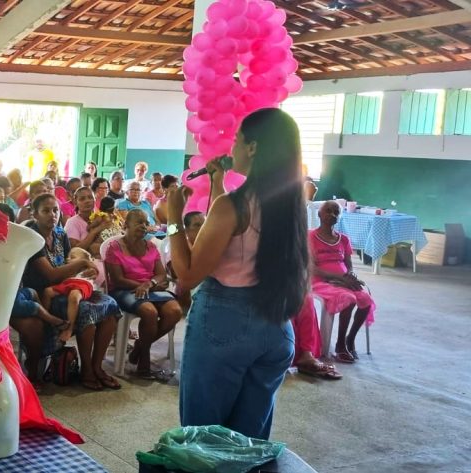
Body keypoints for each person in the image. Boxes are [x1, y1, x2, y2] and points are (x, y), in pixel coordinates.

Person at [168, 108, 308, 440]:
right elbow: (237, 235)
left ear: (254, 148)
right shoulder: (290, 202)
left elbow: (187, 275)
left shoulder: (233, 206)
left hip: (225, 324)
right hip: (275, 327)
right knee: (248, 441)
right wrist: (218, 183)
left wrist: (173, 217)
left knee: (205, 437)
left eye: (237, 139)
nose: (231, 147)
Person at [16, 194, 121, 390]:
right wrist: (81, 263)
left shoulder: (59, 234)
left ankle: (97, 367)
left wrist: (82, 271)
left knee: (110, 306)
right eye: (46, 211)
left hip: (63, 285)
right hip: (43, 292)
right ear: (35, 214)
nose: (52, 215)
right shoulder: (32, 238)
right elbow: (49, 276)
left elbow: (64, 264)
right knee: (86, 311)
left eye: (55, 210)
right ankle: (87, 370)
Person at [104, 209, 182, 379]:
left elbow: (160, 274)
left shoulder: (151, 246)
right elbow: (118, 279)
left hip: (149, 288)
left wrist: (149, 284)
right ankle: (144, 361)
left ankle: (139, 347)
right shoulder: (114, 247)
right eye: (139, 222)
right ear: (126, 225)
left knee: (174, 311)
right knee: (150, 312)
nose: (143, 226)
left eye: (146, 223)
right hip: (124, 290)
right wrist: (144, 286)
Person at [310, 201, 375, 364]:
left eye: (336, 212)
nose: (332, 214)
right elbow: (311, 268)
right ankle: (339, 346)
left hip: (342, 281)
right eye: (328, 211)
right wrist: (339, 278)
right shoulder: (310, 236)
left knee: (366, 299)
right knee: (349, 298)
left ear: (339, 216)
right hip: (320, 281)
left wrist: (350, 275)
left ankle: (349, 339)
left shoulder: (344, 239)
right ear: (319, 214)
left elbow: (348, 263)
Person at [40, 247, 98, 345]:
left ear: (85, 259)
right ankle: (44, 321)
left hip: (82, 284)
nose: (68, 259)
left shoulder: (88, 268)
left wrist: (92, 270)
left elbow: (95, 272)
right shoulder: (69, 269)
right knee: (47, 292)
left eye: (73, 257)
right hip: (68, 283)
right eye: (68, 257)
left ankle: (69, 328)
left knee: (74, 296)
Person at [64, 186, 108, 257]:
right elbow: (75, 250)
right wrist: (94, 232)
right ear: (75, 202)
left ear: (94, 200)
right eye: (82, 199)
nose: (87, 201)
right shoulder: (72, 222)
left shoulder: (102, 217)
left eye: (90, 197)